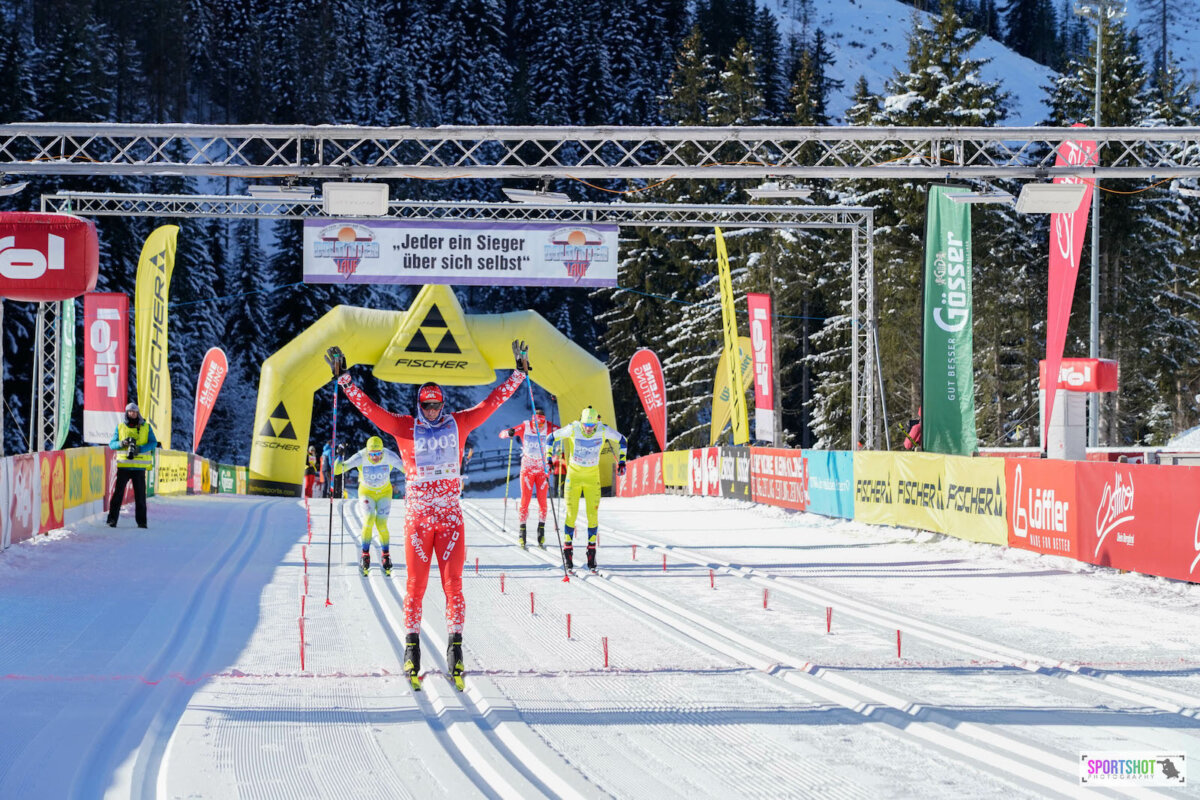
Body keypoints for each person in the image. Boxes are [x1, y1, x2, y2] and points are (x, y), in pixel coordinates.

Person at [324, 339, 530, 691]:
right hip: (419, 521)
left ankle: (455, 648)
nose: (432, 411)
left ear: (443, 404)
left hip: (450, 519)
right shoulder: (405, 427)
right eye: (427, 405)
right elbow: (372, 411)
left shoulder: (460, 423)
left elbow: (492, 402)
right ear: (419, 405)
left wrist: (518, 375)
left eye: (436, 405)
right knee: (415, 587)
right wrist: (344, 380)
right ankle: (411, 648)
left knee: (454, 587)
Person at [549, 406, 627, 571]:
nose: (589, 429)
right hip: (574, 477)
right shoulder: (573, 428)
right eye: (586, 425)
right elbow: (550, 438)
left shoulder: (603, 429)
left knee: (593, 515)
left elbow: (623, 440)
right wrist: (549, 458)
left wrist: (622, 461)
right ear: (581, 422)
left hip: (592, 478)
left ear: (596, 422)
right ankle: (568, 551)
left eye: (591, 426)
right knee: (571, 514)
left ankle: (591, 552)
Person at [335, 435, 404, 576]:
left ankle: (386, 555)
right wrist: (339, 456)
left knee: (381, 524)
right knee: (369, 519)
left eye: (378, 454)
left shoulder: (389, 456)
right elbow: (338, 470)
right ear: (367, 452)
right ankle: (365, 554)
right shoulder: (360, 457)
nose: (375, 457)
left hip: (384, 493)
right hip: (367, 493)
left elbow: (408, 469)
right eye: (372, 454)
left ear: (382, 452)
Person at [498, 407, 559, 548]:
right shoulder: (525, 426)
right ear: (533, 422)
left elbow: (564, 431)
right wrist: (509, 433)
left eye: (542, 424)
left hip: (543, 470)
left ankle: (541, 529)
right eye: (537, 425)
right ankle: (522, 530)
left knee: (543, 501)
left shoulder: (549, 426)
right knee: (525, 500)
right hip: (527, 469)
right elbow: (501, 434)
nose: (540, 427)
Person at [106, 402, 158, 528]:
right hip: (124, 466)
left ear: (138, 413)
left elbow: (153, 443)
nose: (132, 414)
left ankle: (142, 522)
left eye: (134, 412)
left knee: (140, 496)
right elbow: (111, 444)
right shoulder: (120, 427)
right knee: (118, 495)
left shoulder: (146, 427)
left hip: (139, 467)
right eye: (130, 412)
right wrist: (122, 443)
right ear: (126, 413)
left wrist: (140, 449)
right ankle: (112, 520)